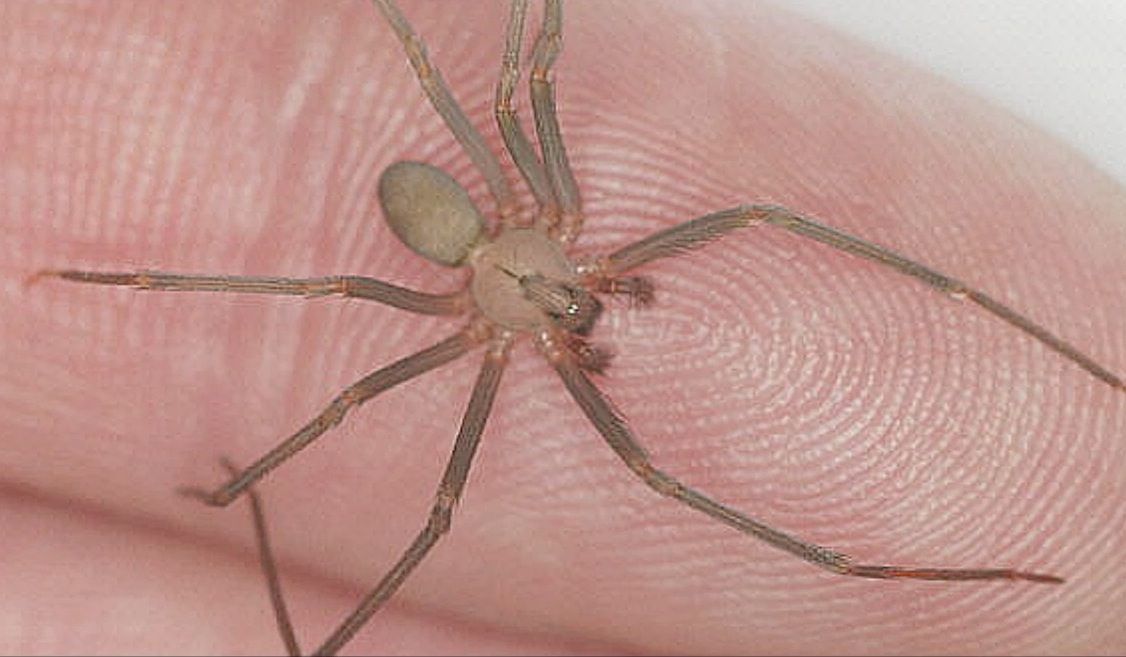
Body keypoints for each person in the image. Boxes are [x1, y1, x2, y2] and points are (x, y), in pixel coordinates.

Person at [2, 1, 1123, 654]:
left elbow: (528, 71)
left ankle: (884, 529)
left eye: (571, 298)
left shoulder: (556, 233)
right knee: (405, 438)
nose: (575, 302)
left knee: (746, 208)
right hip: (458, 255)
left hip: (487, 240)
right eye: (568, 300)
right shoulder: (497, 296)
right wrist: (140, 296)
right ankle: (229, 491)